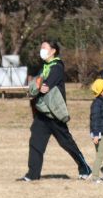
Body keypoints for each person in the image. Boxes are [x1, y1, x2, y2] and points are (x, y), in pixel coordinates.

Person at [22, 39, 92, 182]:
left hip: (54, 114)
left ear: (53, 51)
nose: (41, 50)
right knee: (35, 142)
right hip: (42, 114)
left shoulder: (57, 67)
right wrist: (35, 87)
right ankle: (32, 174)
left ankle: (85, 168)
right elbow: (35, 86)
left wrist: (36, 87)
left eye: (44, 47)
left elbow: (44, 86)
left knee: (67, 143)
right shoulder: (44, 67)